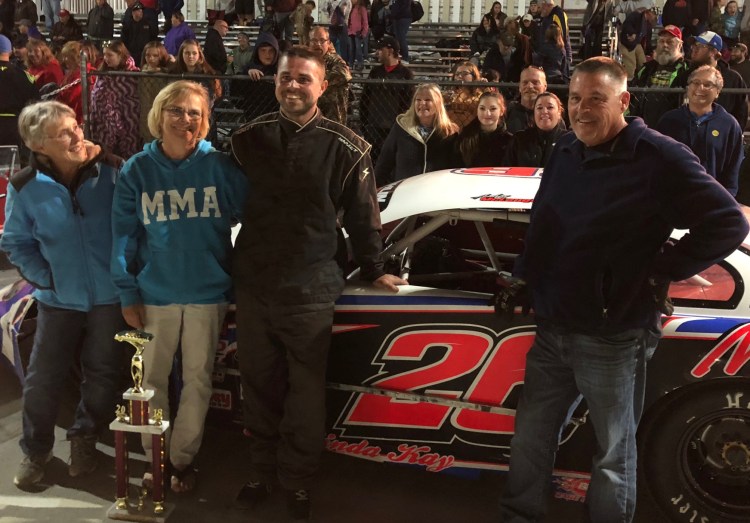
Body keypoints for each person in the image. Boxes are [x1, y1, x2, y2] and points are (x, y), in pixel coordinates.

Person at [497, 56, 749, 523]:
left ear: (624, 101)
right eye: (574, 98)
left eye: (597, 99)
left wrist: (658, 268)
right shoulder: (566, 150)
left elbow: (729, 221)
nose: (582, 109)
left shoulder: (660, 156)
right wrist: (524, 277)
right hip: (554, 327)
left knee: (614, 453)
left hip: (615, 337)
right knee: (531, 437)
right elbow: (544, 222)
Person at [230, 45, 406, 520]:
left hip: (311, 289)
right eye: (286, 77)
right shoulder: (245, 140)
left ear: (322, 87)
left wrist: (374, 269)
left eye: (304, 79)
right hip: (253, 284)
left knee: (305, 394)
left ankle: (298, 480)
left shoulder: (349, 147)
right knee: (258, 386)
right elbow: (221, 202)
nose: (293, 86)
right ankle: (260, 471)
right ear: (275, 81)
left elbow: (367, 219)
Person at [111, 80, 247, 494]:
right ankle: (157, 458)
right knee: (150, 381)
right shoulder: (137, 169)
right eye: (176, 110)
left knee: (198, 380)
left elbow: (254, 221)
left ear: (205, 121)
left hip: (208, 294)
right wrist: (127, 291)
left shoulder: (221, 167)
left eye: (195, 113)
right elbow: (122, 237)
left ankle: (182, 461)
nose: (185, 119)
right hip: (157, 295)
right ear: (160, 114)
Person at [3, 100, 127, 488]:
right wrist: (48, 278)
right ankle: (36, 451)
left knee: (103, 373)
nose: (77, 135)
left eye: (75, 126)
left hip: (109, 297)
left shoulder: (112, 170)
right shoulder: (25, 187)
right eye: (64, 133)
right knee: (42, 378)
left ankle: (84, 438)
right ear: (39, 146)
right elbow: (16, 242)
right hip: (58, 301)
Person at [656, 65, 744, 196]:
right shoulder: (669, 120)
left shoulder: (729, 125)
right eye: (695, 83)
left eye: (708, 85)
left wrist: (727, 199)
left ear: (718, 92)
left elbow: (733, 169)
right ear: (688, 87)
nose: (700, 88)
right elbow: (656, 163)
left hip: (713, 201)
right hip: (674, 200)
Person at [375, 83, 458, 186]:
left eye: (428, 100)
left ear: (438, 104)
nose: (422, 103)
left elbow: (455, 168)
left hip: (436, 192)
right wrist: (375, 189)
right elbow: (384, 162)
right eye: (418, 100)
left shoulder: (450, 132)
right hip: (404, 192)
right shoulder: (401, 127)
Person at [359, 35, 413, 164]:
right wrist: (365, 122)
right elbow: (365, 97)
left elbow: (407, 101)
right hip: (373, 127)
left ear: (390, 51)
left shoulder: (405, 74)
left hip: (393, 127)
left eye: (380, 49)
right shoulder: (375, 72)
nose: (377, 53)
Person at [90, 40, 141, 159]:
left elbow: (133, 99)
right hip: (104, 120)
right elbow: (96, 94)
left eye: (110, 55)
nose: (106, 58)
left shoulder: (133, 75)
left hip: (127, 120)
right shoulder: (102, 73)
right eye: (105, 55)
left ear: (121, 55)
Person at [632, 25, 690, 126]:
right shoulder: (647, 68)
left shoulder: (685, 70)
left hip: (671, 126)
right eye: (662, 41)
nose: (665, 45)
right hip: (643, 125)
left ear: (679, 46)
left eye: (670, 42)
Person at [690, 30, 748, 128]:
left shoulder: (732, 78)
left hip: (721, 136)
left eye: (700, 46)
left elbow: (741, 111)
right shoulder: (686, 75)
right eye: (694, 45)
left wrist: (735, 135)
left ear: (714, 52)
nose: (694, 49)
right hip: (688, 135)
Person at [447, 91, 511, 168]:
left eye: (492, 109)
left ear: (501, 111)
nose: (487, 113)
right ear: (477, 110)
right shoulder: (464, 138)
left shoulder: (509, 141)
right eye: (482, 108)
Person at [503, 91, 567, 167]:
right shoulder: (519, 139)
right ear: (534, 113)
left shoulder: (569, 140)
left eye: (550, 107)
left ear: (559, 112)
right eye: (539, 108)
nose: (544, 111)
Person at [0, 34, 38, 154]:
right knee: (13, 165)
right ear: (10, 52)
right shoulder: (25, 76)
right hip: (15, 127)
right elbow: (35, 102)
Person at [309, 26, 351, 124]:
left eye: (322, 40)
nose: (318, 44)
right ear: (309, 43)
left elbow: (344, 73)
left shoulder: (334, 59)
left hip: (333, 119)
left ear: (328, 43)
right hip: (311, 118)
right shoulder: (307, 61)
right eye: (314, 41)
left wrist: (313, 80)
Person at [238, 31, 280, 120]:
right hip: (254, 118)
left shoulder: (283, 69)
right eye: (263, 50)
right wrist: (247, 73)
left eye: (271, 51)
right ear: (257, 52)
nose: (267, 55)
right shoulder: (250, 67)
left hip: (277, 118)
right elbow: (236, 95)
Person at [57, 41, 97, 125]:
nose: (64, 60)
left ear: (74, 57)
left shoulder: (89, 74)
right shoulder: (71, 73)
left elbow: (76, 99)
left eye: (66, 57)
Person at [138, 41, 170, 143]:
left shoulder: (166, 73)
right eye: (148, 55)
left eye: (155, 55)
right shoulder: (142, 71)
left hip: (161, 112)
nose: (151, 58)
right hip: (144, 112)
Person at [445, 61, 488, 130]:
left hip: (472, 131)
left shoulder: (480, 95)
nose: (459, 76)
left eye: (465, 74)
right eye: (457, 74)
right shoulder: (449, 94)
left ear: (474, 77)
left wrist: (486, 89)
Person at [505, 65, 547, 133]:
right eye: (525, 83)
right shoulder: (506, 112)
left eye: (535, 82)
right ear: (519, 87)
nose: (530, 86)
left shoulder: (552, 115)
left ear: (545, 87)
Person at [122, 2, 158, 68]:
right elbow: (124, 39)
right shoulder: (128, 25)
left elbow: (153, 37)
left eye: (140, 11)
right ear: (133, 13)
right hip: (131, 53)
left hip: (144, 53)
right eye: (137, 11)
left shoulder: (148, 24)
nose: (139, 13)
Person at [348, 0, 369, 70]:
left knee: (358, 49)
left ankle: (360, 63)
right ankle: (351, 63)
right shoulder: (352, 8)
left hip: (358, 31)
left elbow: (365, 22)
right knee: (351, 49)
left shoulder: (362, 8)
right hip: (351, 31)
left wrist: (364, 33)